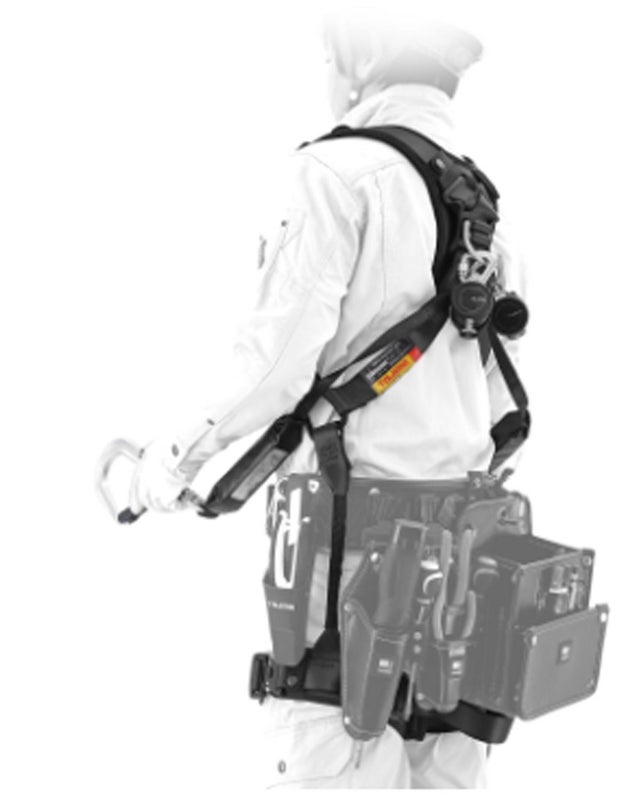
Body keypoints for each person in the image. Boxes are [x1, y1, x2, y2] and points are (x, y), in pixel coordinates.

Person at [129, 6, 528, 790]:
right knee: (443, 768)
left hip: (350, 557)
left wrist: (163, 471)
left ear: (362, 54)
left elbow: (270, 370)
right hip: (465, 563)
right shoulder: (485, 211)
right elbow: (498, 396)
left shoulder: (335, 177)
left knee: (331, 758)